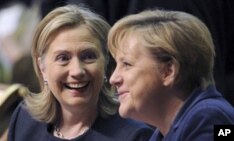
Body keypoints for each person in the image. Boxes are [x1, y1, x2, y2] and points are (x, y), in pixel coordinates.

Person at [8, 4, 153, 141]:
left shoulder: (136, 136)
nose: (77, 71)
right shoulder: (24, 119)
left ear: (107, 63)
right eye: (63, 58)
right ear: (42, 68)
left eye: (88, 56)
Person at [108, 9, 234, 141]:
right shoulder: (161, 134)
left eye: (127, 64)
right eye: (116, 65)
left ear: (169, 71)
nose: (113, 79)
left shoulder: (209, 118)